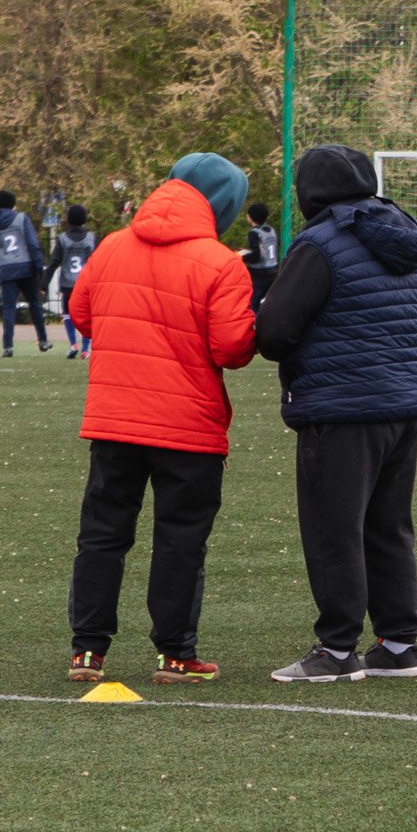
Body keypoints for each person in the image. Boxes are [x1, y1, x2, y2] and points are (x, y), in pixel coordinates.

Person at [63, 155, 260, 684]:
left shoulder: (111, 246)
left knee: (102, 535)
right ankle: (176, 654)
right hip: (188, 426)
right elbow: (232, 348)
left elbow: (81, 315)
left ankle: (87, 651)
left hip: (114, 419)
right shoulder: (221, 262)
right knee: (180, 539)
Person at [253, 145, 417, 685]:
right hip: (402, 400)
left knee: (335, 528)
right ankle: (399, 644)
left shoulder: (320, 243)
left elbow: (274, 331)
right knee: (388, 526)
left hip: (340, 404)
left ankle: (336, 650)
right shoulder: (404, 236)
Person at [0, 187, 51, 357]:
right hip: (26, 267)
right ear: (13, 204)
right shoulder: (21, 218)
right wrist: (39, 266)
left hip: (6, 268)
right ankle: (43, 340)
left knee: (9, 308)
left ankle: (8, 346)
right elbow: (32, 243)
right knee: (34, 303)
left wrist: (1, 264)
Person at [51, 203, 99, 359]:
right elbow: (99, 260)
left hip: (67, 283)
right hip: (86, 283)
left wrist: (44, 281)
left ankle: (73, 344)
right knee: (87, 314)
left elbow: (54, 261)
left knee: (67, 313)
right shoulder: (92, 238)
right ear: (84, 219)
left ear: (69, 220)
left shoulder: (62, 239)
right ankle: (86, 349)